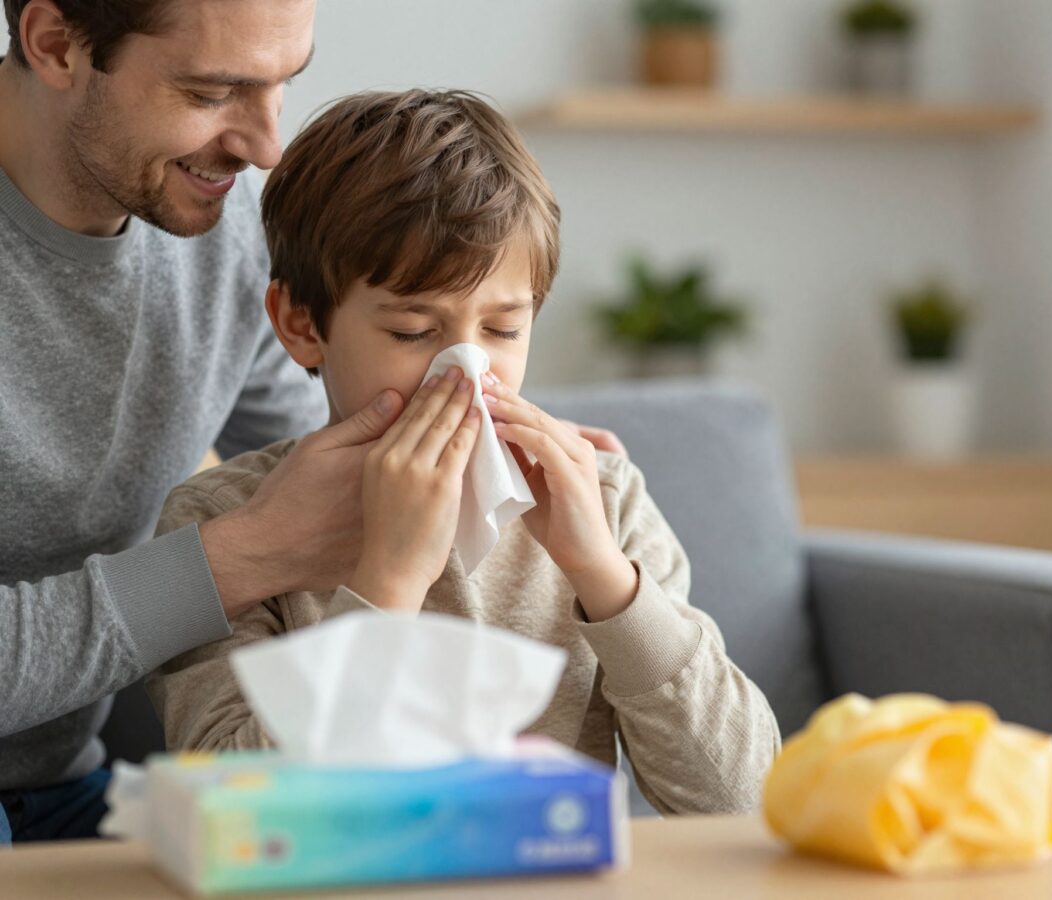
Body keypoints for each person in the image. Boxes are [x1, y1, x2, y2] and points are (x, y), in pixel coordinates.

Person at [0, 0, 620, 843]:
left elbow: (331, 470)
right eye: (213, 91)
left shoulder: (222, 234)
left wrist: (508, 495)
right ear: (54, 45)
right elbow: (279, 533)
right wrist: (241, 557)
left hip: (64, 790)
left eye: (282, 85)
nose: (265, 148)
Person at [148, 90, 781, 814]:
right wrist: (387, 582)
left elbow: (742, 802)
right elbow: (246, 814)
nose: (468, 373)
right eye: (415, 332)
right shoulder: (224, 525)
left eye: (504, 330)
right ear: (301, 325)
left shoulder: (604, 502)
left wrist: (605, 578)